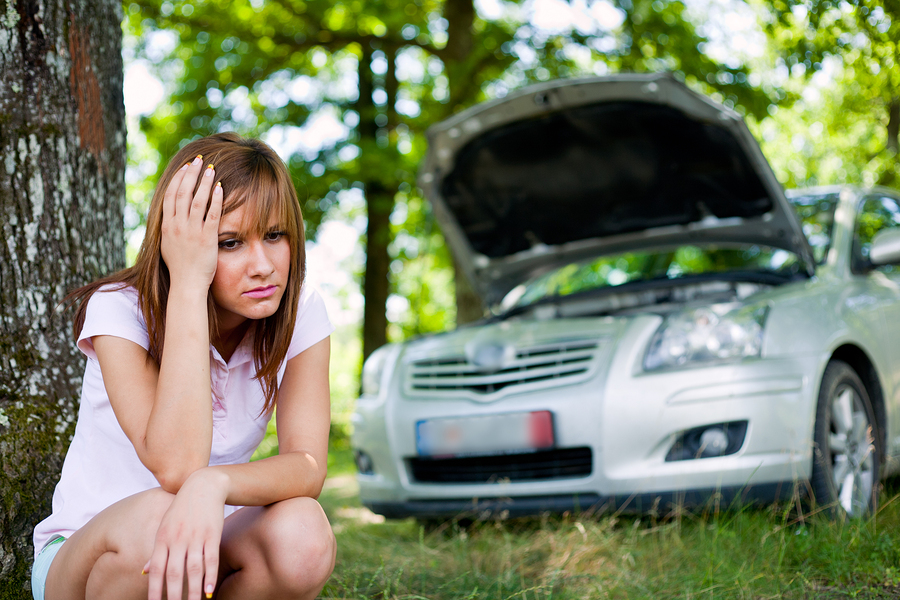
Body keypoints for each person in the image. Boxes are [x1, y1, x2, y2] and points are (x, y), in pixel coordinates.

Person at [30, 133, 336, 600]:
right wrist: (190, 283)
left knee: (303, 533)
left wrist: (215, 484)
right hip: (88, 555)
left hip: (203, 545)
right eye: (230, 243)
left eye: (274, 236)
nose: (262, 265)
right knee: (159, 515)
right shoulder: (119, 310)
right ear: (181, 242)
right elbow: (177, 465)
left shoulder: (300, 312)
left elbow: (307, 467)